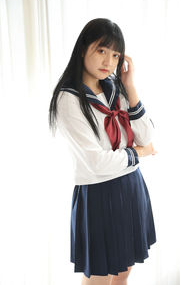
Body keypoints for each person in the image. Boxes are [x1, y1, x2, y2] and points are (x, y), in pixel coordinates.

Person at [48, 18, 158, 285]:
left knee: (123, 272)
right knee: (98, 278)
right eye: (101, 50)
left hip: (131, 188)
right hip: (99, 194)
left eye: (115, 54)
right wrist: (138, 155)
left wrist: (130, 87)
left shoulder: (115, 88)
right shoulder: (69, 98)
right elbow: (96, 162)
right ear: (84, 48)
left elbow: (146, 136)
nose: (108, 61)